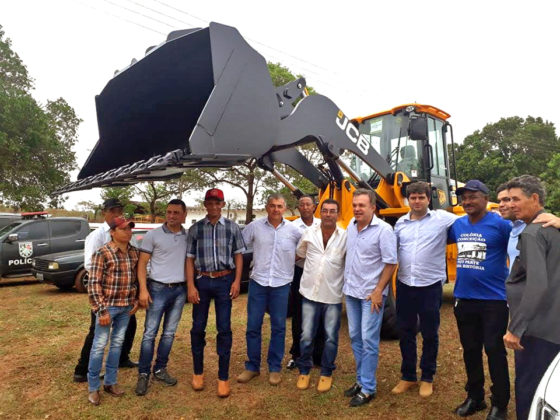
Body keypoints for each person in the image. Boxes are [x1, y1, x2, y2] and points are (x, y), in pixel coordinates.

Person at [448, 180, 511, 420]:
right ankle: (475, 397)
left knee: (494, 351)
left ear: (486, 198)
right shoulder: (458, 225)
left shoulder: (500, 224)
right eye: (464, 198)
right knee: (470, 350)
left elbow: (520, 242)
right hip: (464, 299)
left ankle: (500, 404)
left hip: (493, 300)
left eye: (473, 196)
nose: (467, 201)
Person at [392, 182, 457, 398]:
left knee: (429, 333)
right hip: (405, 284)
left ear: (429, 199)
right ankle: (408, 376)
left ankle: (427, 376)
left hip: (430, 286)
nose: (417, 201)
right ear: (407, 200)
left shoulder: (443, 219)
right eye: (413, 198)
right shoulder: (400, 223)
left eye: (421, 197)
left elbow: (470, 222)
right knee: (406, 332)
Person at [503, 176, 560, 420]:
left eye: (516, 199)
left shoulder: (533, 234)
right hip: (553, 326)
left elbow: (537, 285)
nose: (511, 204)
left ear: (535, 199)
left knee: (530, 389)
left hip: (537, 330)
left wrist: (516, 328)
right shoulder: (553, 229)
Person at [237, 193, 302, 386]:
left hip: (281, 284)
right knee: (253, 326)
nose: (276, 209)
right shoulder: (254, 227)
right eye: (272, 205)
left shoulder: (293, 230)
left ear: (285, 208)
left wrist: (289, 262)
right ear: (267, 207)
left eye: (279, 206)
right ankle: (252, 367)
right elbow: (239, 246)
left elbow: (304, 250)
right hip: (258, 283)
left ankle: (274, 368)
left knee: (279, 328)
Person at [186, 188, 245, 398]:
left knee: (224, 329)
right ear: (205, 205)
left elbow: (238, 255)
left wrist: (237, 281)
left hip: (224, 281)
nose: (213, 206)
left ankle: (223, 378)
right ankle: (198, 373)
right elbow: (189, 258)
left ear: (222, 204)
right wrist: (191, 286)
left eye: (217, 203)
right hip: (202, 281)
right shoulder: (195, 229)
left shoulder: (232, 228)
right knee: (197, 328)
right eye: (209, 203)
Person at [343, 188, 397, 407]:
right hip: (352, 292)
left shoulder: (383, 230)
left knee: (369, 340)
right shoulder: (351, 227)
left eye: (361, 205)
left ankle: (368, 388)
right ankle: (360, 380)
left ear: (373, 207)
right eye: (355, 205)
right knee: (355, 337)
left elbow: (391, 262)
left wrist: (378, 291)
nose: (357, 209)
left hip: (370, 295)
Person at [74, 198, 137, 383]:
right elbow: (90, 266)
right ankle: (81, 370)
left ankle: (122, 358)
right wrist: (100, 300)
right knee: (96, 333)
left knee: (130, 327)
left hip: (123, 297)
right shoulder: (97, 236)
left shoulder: (127, 239)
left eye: (119, 210)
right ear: (105, 213)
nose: (117, 214)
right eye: (113, 211)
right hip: (105, 295)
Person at [135, 199, 188, 396]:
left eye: (176, 212)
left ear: (184, 214)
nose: (171, 216)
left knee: (169, 333)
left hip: (179, 291)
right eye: (169, 212)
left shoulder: (187, 236)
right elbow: (141, 264)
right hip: (157, 289)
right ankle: (143, 373)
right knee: (150, 333)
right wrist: (143, 290)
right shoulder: (153, 235)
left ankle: (160, 369)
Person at [295, 199, 346, 393]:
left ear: (337, 214)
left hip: (332, 296)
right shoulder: (309, 233)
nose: (328, 214)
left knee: (331, 338)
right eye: (325, 210)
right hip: (309, 293)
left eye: (332, 211)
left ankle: (326, 372)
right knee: (306, 335)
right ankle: (304, 370)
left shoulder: (345, 237)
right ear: (320, 212)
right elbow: (300, 252)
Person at [87, 217, 139, 405]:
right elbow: (93, 284)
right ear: (112, 232)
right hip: (107, 307)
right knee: (99, 346)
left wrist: (134, 299)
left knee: (117, 345)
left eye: (130, 229)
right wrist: (101, 310)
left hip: (125, 307)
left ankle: (110, 382)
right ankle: (93, 387)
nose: (128, 232)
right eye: (124, 229)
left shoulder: (134, 253)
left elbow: (134, 279)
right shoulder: (102, 253)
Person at [287, 195, 323, 370]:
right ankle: (297, 354)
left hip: (319, 273)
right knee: (299, 314)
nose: (305, 207)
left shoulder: (322, 225)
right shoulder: (292, 227)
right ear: (298, 208)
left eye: (308, 204)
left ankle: (318, 355)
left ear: (314, 207)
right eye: (302, 205)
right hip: (299, 272)